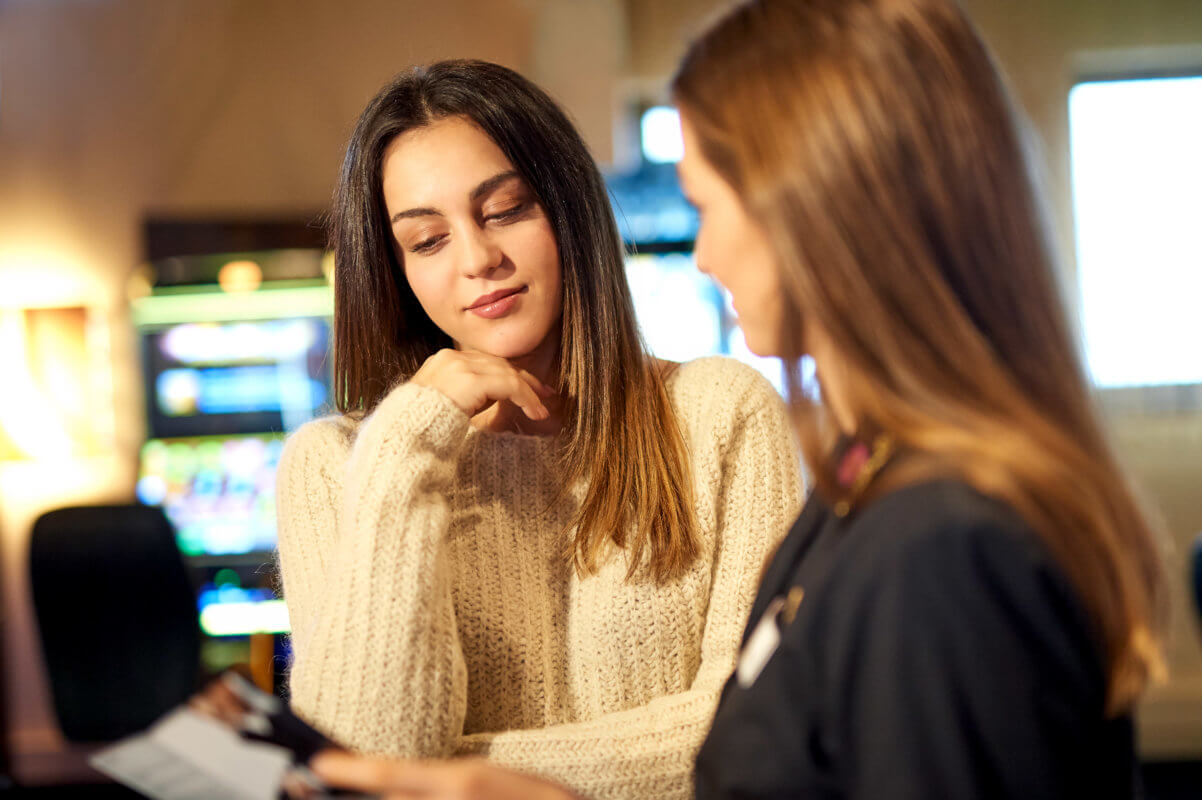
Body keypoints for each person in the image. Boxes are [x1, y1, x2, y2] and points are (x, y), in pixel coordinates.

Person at [300, 1, 1168, 798]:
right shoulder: (869, 494)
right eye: (425, 239)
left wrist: (466, 778)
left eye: (708, 205)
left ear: (816, 216)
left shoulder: (932, 538)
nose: (703, 255)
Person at [273, 59, 803, 799]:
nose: (479, 260)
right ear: (394, 272)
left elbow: (751, 734)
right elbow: (361, 769)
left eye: (506, 210)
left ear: (569, 209)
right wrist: (405, 450)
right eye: (428, 241)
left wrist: (457, 780)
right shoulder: (336, 465)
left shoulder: (720, 416)